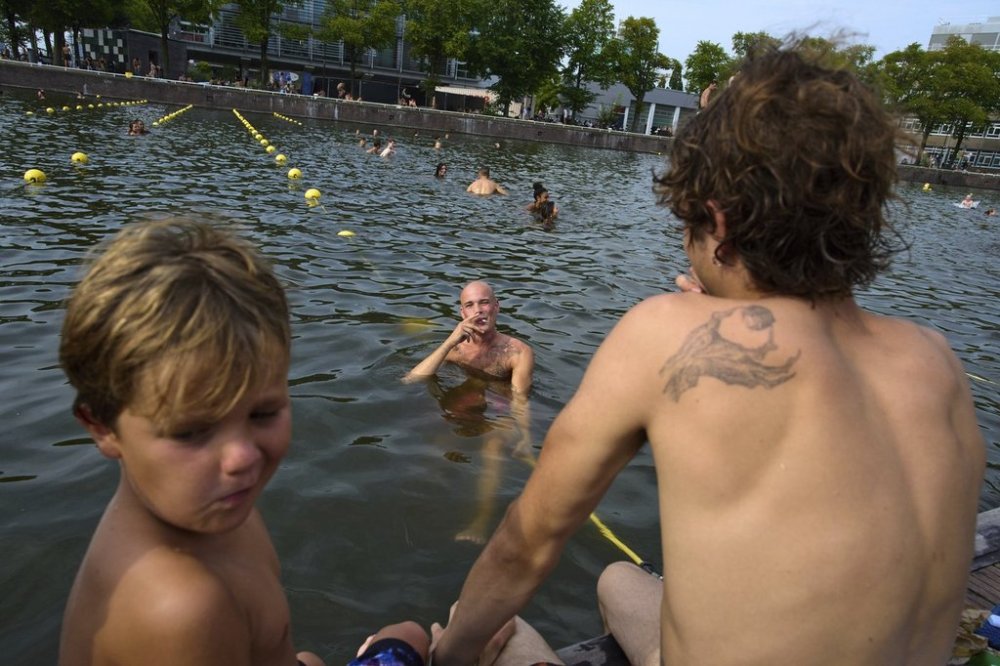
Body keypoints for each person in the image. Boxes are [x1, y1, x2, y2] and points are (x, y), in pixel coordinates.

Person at [430, 43, 985, 666]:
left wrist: (448, 654)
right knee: (618, 581)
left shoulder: (666, 332)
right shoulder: (937, 362)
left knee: (489, 633)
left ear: (716, 219)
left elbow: (524, 546)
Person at [56, 219, 427, 666]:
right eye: (191, 432)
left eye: (262, 413)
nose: (242, 456)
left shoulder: (212, 506)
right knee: (410, 641)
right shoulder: (181, 610)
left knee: (381, 640)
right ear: (101, 427)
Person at [404, 281, 535, 543]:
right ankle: (424, 499)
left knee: (492, 446)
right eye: (470, 305)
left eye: (484, 302)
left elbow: (520, 399)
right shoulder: (457, 348)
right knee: (439, 436)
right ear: (462, 313)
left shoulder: (516, 352)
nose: (478, 311)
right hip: (469, 398)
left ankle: (480, 521)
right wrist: (449, 341)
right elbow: (411, 380)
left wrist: (525, 435)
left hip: (501, 404)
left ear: (496, 307)